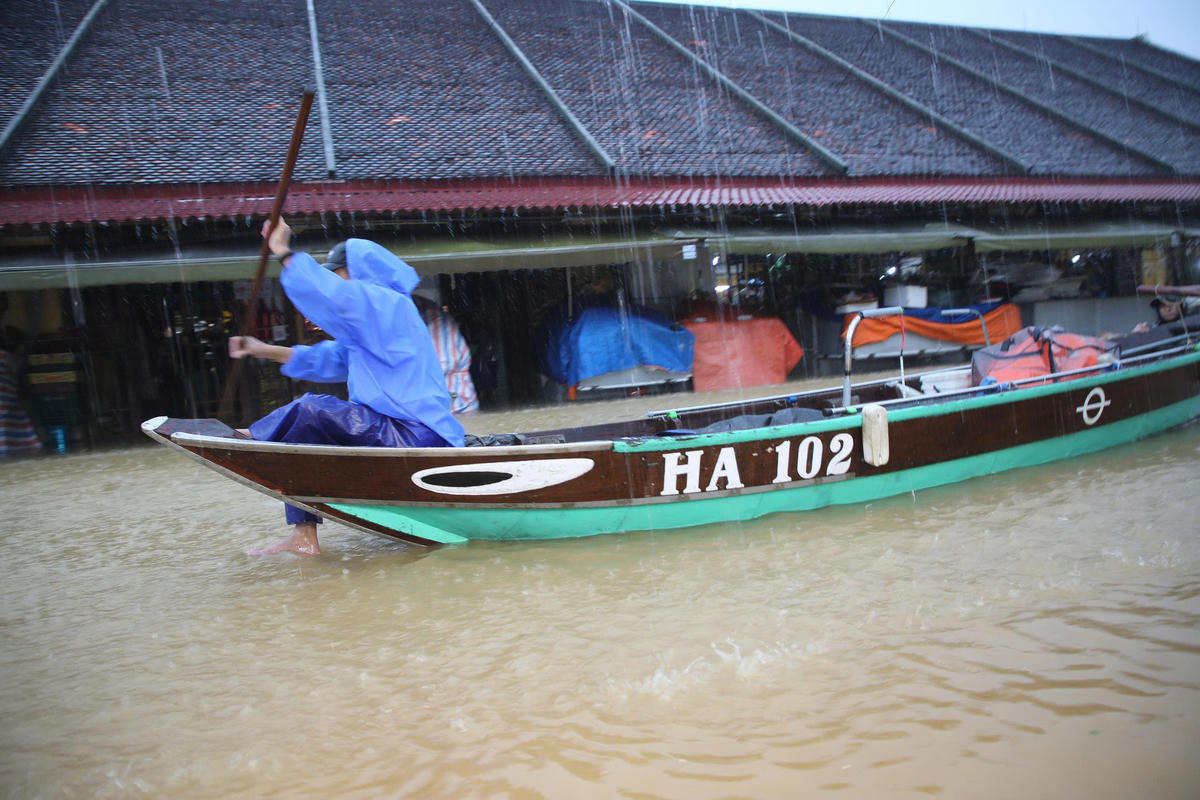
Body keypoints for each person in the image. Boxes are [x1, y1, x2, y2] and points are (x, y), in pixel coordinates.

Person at [228, 218, 464, 555]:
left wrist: (283, 249)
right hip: (396, 431)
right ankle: (304, 536)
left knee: (310, 409)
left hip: (413, 433)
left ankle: (252, 436)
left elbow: (334, 297)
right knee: (303, 435)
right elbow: (327, 359)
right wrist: (260, 349)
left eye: (334, 275)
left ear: (353, 273)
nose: (332, 282)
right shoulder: (372, 327)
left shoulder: (387, 303)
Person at [413, 284, 479, 414]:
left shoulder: (437, 322)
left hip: (456, 409)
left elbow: (440, 366)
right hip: (441, 409)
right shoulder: (418, 320)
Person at [1131, 293, 1200, 333]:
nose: (1168, 309)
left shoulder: (1195, 319)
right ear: (1158, 310)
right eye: (1163, 306)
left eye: (1171, 304)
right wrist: (1138, 336)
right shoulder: (1154, 330)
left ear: (1181, 305)